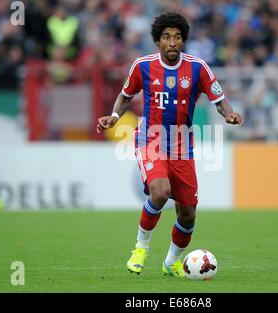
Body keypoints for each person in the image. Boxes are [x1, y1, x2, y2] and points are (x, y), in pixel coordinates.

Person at [96, 12, 243, 277]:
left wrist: (228, 113)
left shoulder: (198, 68)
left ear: (183, 40)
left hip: (182, 146)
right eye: (166, 37)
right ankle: (140, 248)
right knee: (160, 191)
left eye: (177, 37)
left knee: (187, 213)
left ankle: (171, 262)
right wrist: (115, 116)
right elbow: (125, 95)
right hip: (150, 139)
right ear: (158, 41)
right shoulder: (142, 66)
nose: (172, 42)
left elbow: (219, 99)